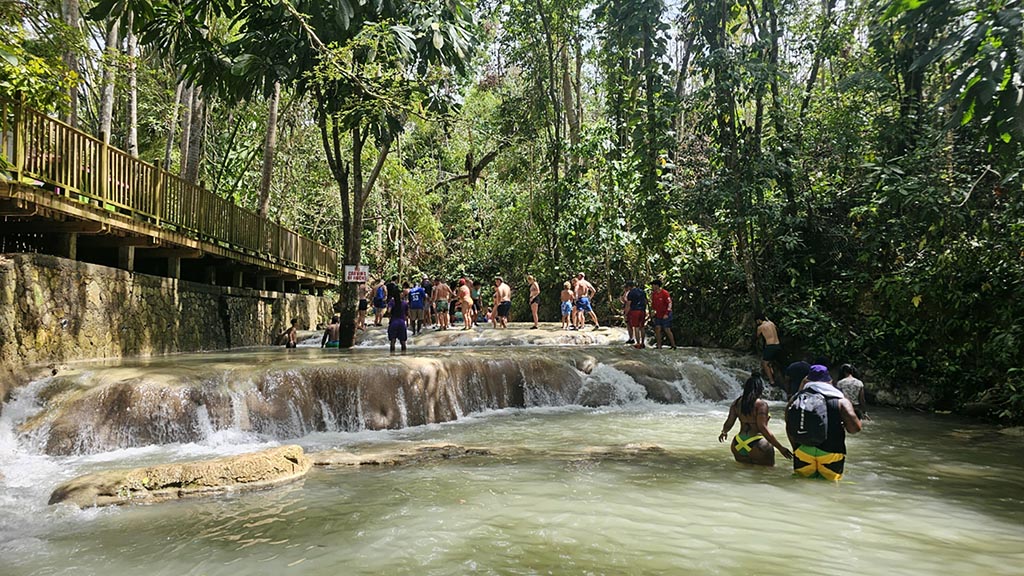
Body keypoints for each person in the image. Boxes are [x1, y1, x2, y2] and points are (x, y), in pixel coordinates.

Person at [786, 365, 862, 481]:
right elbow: (855, 429)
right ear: (829, 381)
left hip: (803, 451)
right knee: (830, 487)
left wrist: (795, 448)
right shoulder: (841, 401)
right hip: (831, 452)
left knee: (801, 483)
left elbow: (789, 425)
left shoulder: (797, 398)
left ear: (808, 380)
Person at [719, 374, 793, 466]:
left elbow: (729, 422)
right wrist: (780, 447)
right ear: (760, 389)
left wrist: (724, 432)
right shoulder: (761, 405)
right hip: (757, 443)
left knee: (743, 473)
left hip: (738, 443)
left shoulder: (737, 403)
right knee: (766, 474)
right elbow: (762, 428)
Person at [649, 279, 676, 350]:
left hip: (666, 314)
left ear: (657, 286)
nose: (652, 286)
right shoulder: (654, 294)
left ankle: (673, 345)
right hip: (658, 314)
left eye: (653, 285)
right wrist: (652, 311)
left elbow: (669, 303)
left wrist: (667, 313)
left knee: (667, 329)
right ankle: (659, 346)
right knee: (657, 329)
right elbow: (653, 304)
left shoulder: (665, 293)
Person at [755, 314, 781, 385]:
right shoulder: (771, 323)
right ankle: (774, 375)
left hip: (770, 346)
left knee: (765, 363)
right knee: (772, 362)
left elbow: (757, 336)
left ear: (759, 320)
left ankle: (771, 381)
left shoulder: (761, 327)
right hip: (778, 345)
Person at [624, 281, 647, 349]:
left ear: (629, 287)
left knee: (636, 327)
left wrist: (626, 314)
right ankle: (642, 343)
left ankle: (638, 343)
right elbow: (646, 301)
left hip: (635, 311)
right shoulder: (642, 291)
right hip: (642, 310)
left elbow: (628, 304)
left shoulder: (631, 293)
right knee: (642, 327)